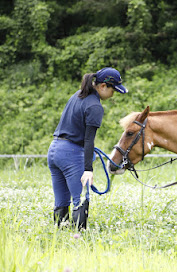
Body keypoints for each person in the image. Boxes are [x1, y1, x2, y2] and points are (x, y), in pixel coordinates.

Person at [48, 67, 128, 230]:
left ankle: (60, 238)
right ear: (103, 86)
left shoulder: (77, 96)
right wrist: (88, 169)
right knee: (80, 201)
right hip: (71, 154)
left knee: (61, 201)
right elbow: (89, 140)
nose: (114, 95)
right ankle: (79, 241)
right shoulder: (95, 106)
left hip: (54, 150)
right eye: (114, 90)